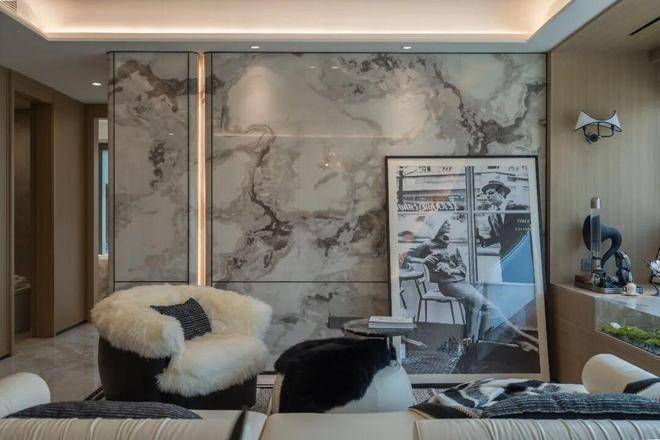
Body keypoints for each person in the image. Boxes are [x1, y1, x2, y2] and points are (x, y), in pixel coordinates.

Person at [407, 216, 538, 349]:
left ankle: (516, 340)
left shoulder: (450, 244)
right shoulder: (427, 245)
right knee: (489, 308)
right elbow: (405, 257)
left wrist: (452, 270)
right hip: (449, 286)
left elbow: (462, 268)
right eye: (445, 222)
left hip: (462, 282)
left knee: (478, 311)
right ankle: (522, 336)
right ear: (438, 227)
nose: (448, 224)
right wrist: (423, 261)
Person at [477, 180, 534, 283]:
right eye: (486, 194)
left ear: (502, 193)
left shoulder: (519, 209)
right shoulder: (492, 216)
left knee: (523, 285)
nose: (487, 196)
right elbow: (497, 238)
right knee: (508, 285)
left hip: (522, 257)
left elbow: (530, 230)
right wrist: (481, 240)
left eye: (491, 193)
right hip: (505, 258)